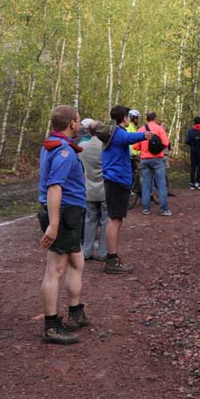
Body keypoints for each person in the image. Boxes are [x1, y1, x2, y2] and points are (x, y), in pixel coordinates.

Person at [38, 105, 91, 344]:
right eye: (77, 120)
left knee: (76, 262)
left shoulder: (54, 144)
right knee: (55, 269)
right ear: (71, 123)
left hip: (69, 213)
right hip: (63, 214)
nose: (78, 124)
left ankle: (75, 312)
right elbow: (55, 187)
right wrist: (54, 224)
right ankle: (51, 326)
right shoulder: (63, 151)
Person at [100, 105, 152, 274]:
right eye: (128, 116)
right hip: (116, 181)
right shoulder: (118, 133)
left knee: (116, 219)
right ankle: (112, 259)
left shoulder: (114, 133)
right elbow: (128, 138)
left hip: (115, 180)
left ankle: (112, 258)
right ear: (124, 118)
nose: (129, 119)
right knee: (114, 219)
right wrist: (145, 135)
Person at [78, 119, 108, 262]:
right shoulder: (106, 147)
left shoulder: (83, 146)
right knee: (105, 221)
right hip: (105, 189)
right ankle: (103, 252)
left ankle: (87, 251)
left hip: (89, 189)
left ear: (89, 131)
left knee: (89, 221)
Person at [134, 111, 171, 217]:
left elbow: (135, 146)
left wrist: (143, 148)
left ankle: (146, 208)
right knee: (161, 184)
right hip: (157, 159)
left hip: (145, 159)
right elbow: (166, 143)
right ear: (155, 118)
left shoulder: (140, 129)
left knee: (146, 184)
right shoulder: (159, 129)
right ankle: (164, 209)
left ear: (146, 118)